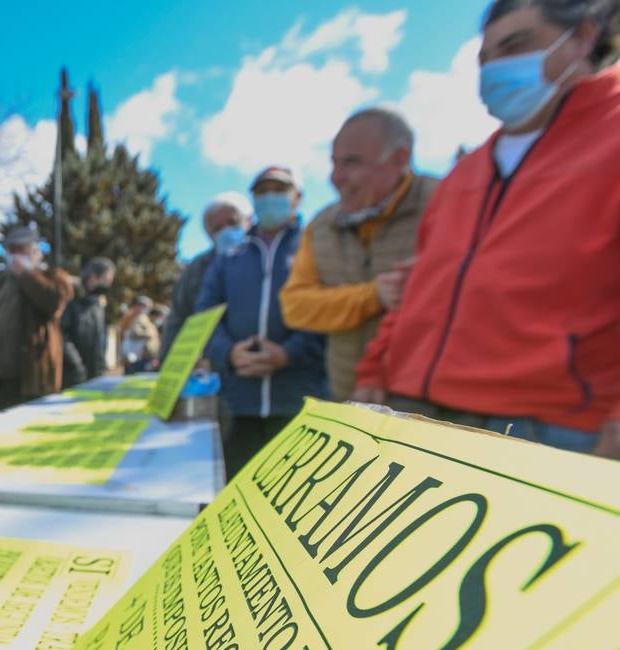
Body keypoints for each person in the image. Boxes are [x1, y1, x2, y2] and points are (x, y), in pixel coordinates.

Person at [355, 0, 620, 460]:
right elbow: (421, 283)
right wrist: (373, 370)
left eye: (515, 46)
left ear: (581, 37)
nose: (495, 68)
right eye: (486, 57)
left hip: (548, 432)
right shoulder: (466, 172)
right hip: (419, 414)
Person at [279, 107, 440, 402]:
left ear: (399, 159)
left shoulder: (446, 202)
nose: (336, 178)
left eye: (352, 163)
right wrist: (372, 296)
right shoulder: (320, 226)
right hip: (348, 402)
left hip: (439, 415)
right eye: (334, 164)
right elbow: (295, 306)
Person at [199, 167, 328, 478]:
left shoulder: (316, 248)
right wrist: (228, 353)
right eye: (262, 191)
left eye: (279, 190)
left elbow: (329, 309)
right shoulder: (231, 255)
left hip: (299, 402)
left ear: (296, 198)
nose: (270, 197)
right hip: (238, 405)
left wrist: (289, 353)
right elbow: (204, 316)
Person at [0, 225, 74, 412]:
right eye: (11, 250)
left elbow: (53, 303)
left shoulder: (52, 277)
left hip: (33, 381)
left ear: (35, 251)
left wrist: (27, 274)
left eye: (21, 250)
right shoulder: (2, 285)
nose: (15, 256)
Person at [161, 193, 252, 353]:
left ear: (248, 221)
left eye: (232, 222)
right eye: (218, 228)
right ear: (209, 234)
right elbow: (178, 318)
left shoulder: (268, 258)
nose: (226, 231)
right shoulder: (196, 270)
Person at [61, 257, 113, 388]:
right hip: (73, 374)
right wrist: (76, 365)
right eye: (106, 280)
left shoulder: (98, 304)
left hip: (94, 373)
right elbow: (62, 336)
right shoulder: (70, 300)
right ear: (93, 277)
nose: (108, 285)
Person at [119, 296, 161, 374]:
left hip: (139, 356)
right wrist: (149, 334)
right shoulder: (139, 317)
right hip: (139, 357)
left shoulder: (139, 317)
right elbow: (135, 332)